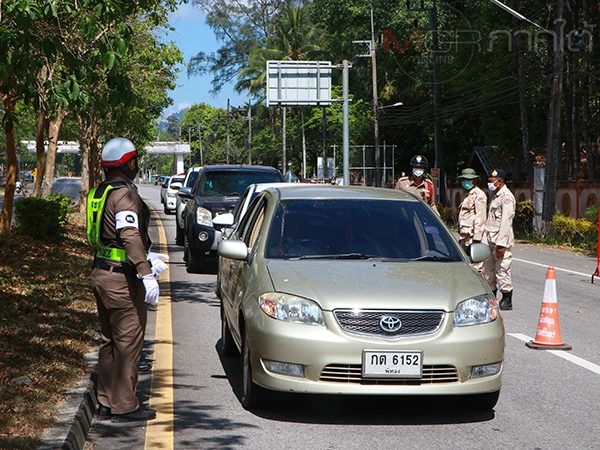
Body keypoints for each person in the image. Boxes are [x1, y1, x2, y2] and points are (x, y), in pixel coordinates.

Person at [86, 137, 162, 422]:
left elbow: (112, 237)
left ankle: (105, 401)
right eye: (135, 160)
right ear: (128, 162)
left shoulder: (100, 192)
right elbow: (129, 234)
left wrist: (146, 257)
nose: (136, 165)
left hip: (101, 273)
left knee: (108, 341)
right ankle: (125, 405)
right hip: (121, 281)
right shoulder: (125, 195)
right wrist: (146, 272)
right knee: (128, 342)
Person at [482, 168, 516, 311]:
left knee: (502, 270)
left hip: (500, 242)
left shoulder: (507, 198)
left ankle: (507, 299)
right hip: (490, 240)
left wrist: (501, 244)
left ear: (499, 181)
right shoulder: (495, 196)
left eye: (491, 181)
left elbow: (506, 223)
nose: (489, 184)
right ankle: (491, 297)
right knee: (488, 271)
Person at [457, 168, 487, 273]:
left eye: (468, 180)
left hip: (473, 237)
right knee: (466, 265)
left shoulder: (479, 195)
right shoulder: (467, 195)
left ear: (474, 181)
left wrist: (477, 239)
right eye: (464, 179)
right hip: (465, 236)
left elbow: (480, 216)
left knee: (476, 268)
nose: (466, 182)